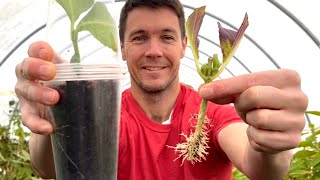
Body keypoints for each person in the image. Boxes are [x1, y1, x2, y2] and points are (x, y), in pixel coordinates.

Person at [15, 0, 308, 179]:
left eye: (167, 37)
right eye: (140, 37)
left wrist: (272, 144)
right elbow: (48, 168)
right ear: (122, 49)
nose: (153, 51)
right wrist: (54, 113)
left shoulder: (212, 114)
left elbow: (259, 165)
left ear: (184, 46)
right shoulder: (107, 117)